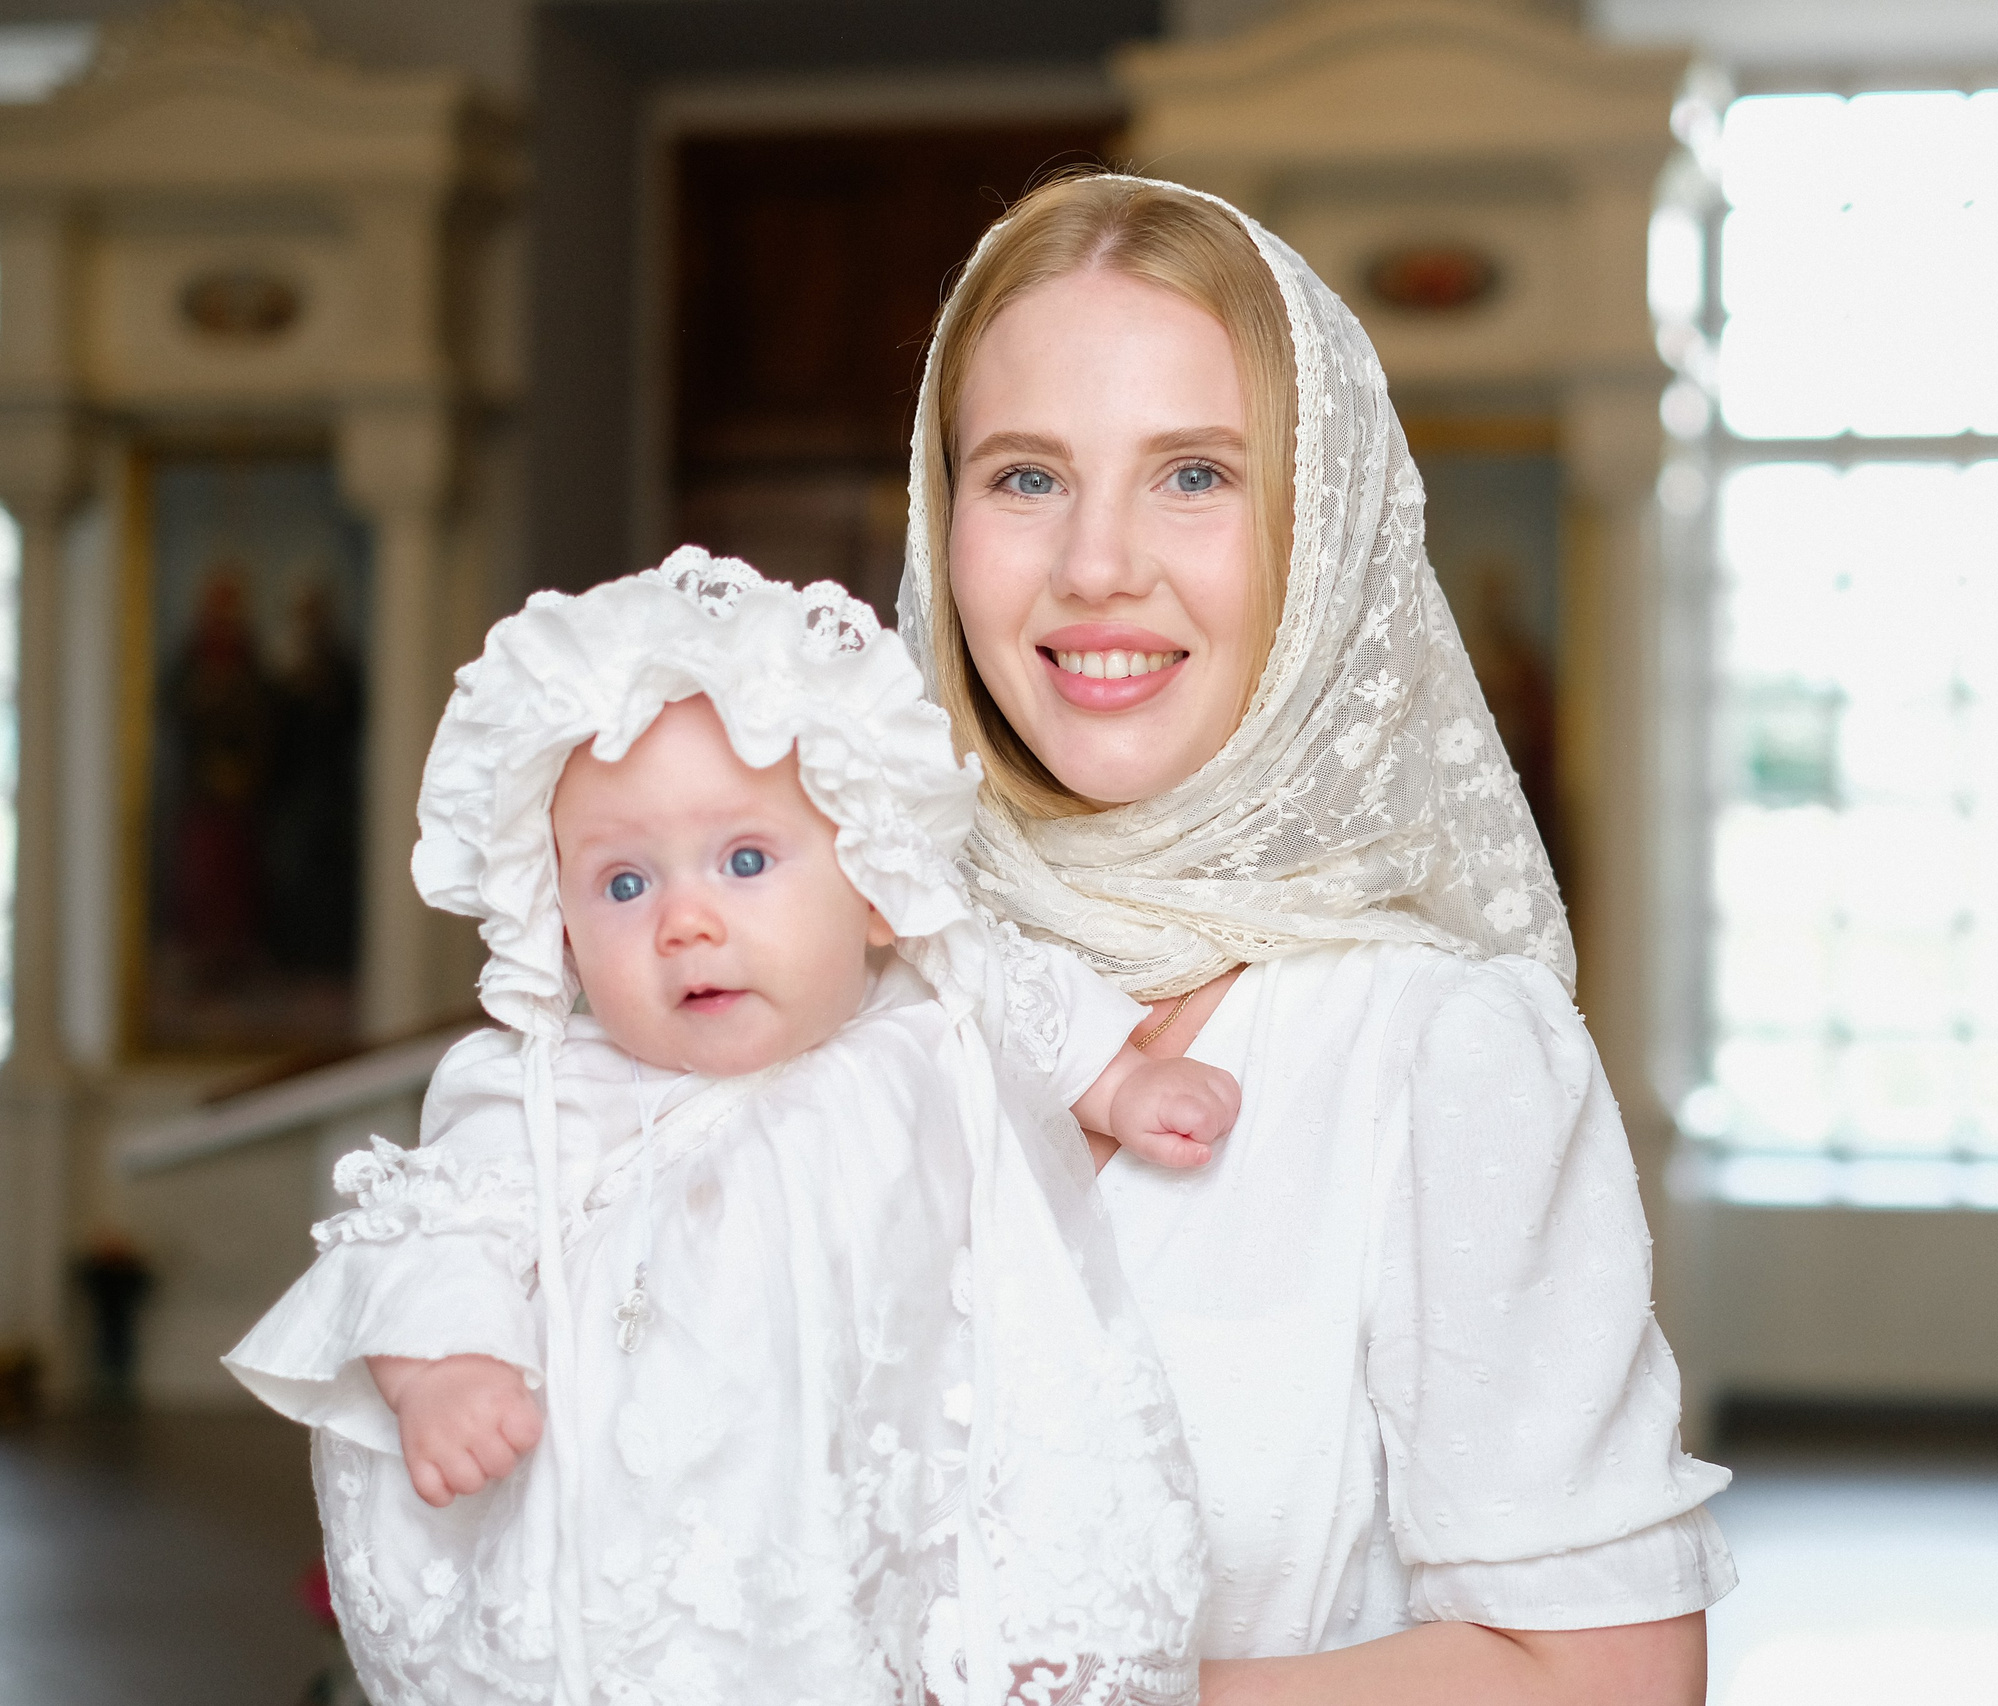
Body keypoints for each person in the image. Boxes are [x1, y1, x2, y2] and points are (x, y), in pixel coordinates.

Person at [895, 172, 1738, 1705]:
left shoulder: (1440, 1047)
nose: (1096, 563)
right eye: (1024, 476)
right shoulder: (856, 983)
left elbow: (1606, 1679)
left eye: (1195, 474)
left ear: (1326, 521)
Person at [225, 551, 1234, 1706]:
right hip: (649, 1562)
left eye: (745, 860)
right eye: (620, 885)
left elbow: (1030, 1001)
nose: (684, 922)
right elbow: (433, 1227)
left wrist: (1123, 1085)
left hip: (888, 1504)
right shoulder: (545, 1088)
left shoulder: (928, 1012)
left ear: (868, 882)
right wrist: (444, 1370)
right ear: (552, 922)